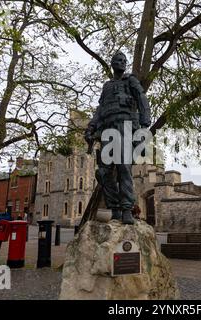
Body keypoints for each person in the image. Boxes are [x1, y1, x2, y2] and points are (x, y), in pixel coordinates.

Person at [85, 51, 151, 225]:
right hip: (107, 130)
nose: (121, 62)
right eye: (118, 60)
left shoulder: (131, 81)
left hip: (126, 128)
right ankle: (115, 208)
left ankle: (127, 209)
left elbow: (142, 99)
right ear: (112, 63)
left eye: (124, 61)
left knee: (123, 168)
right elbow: (100, 109)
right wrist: (91, 127)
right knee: (104, 172)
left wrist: (144, 125)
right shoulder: (107, 86)